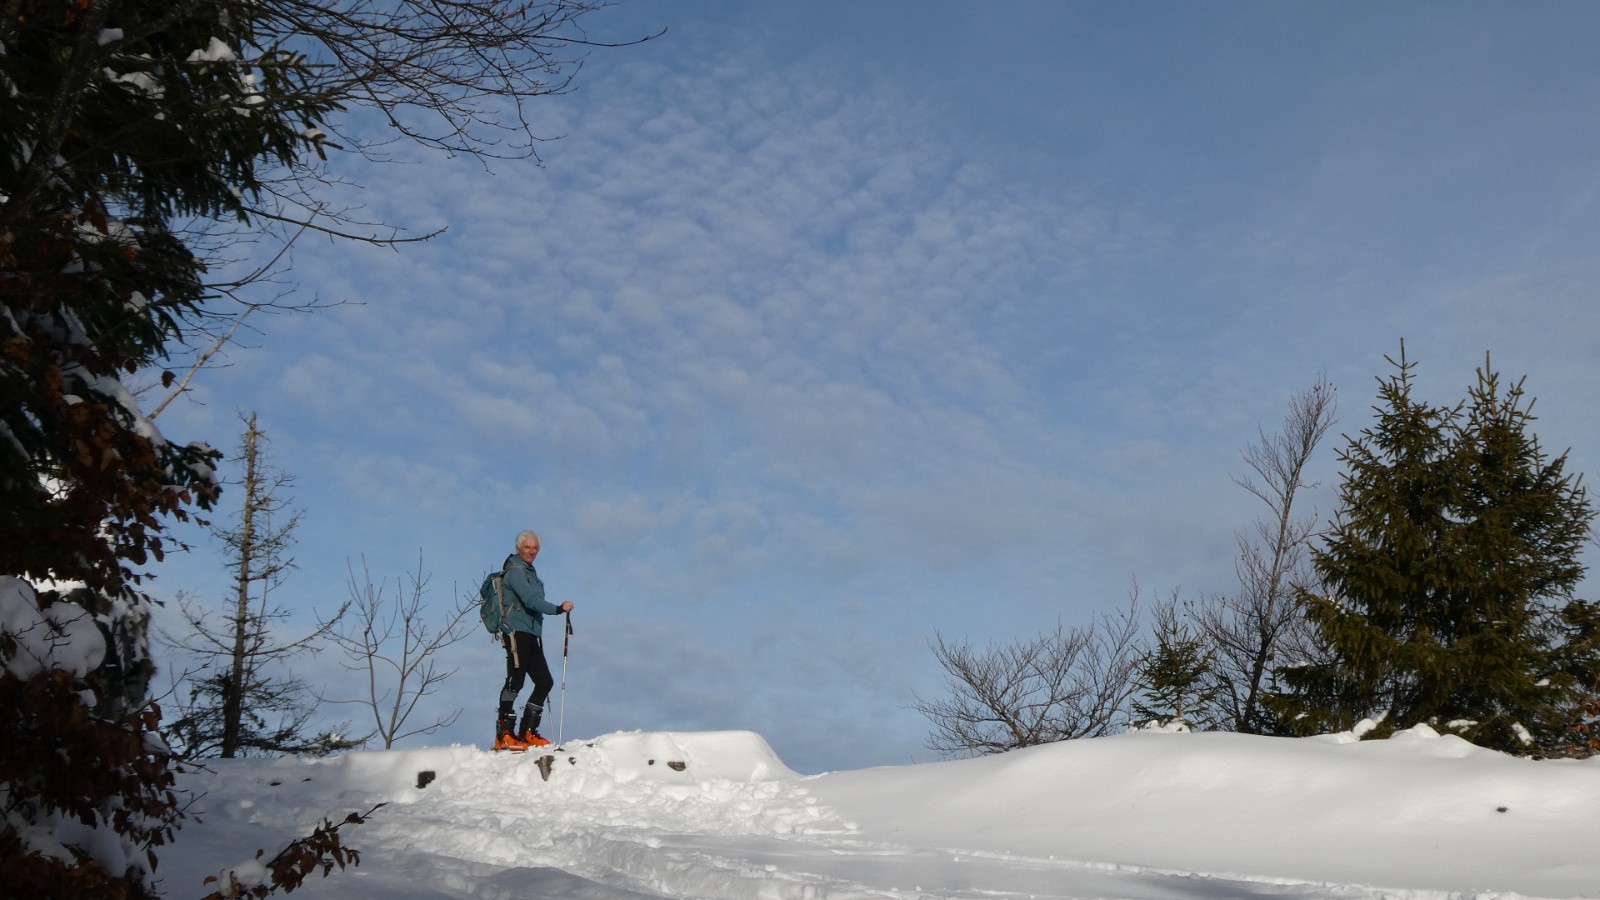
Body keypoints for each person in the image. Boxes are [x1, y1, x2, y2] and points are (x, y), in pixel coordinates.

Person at [493, 530, 573, 750]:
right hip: (516, 632)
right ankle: (503, 734)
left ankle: (526, 731)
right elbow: (530, 600)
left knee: (544, 681)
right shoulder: (516, 572)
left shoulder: (531, 572)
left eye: (534, 548)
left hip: (531, 633)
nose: (531, 552)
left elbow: (533, 600)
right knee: (515, 679)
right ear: (519, 548)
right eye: (527, 548)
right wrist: (557, 609)